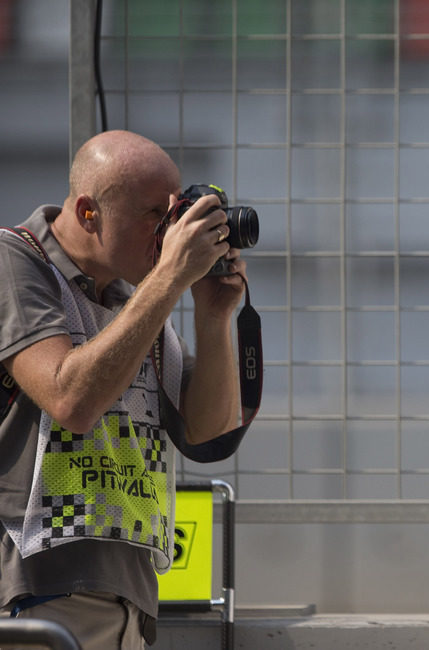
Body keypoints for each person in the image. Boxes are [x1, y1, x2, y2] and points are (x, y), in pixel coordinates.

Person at [0, 130, 250, 648]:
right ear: (89, 212)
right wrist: (167, 282)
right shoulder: (14, 261)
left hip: (129, 596)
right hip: (36, 592)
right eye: (154, 216)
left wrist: (213, 314)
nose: (169, 234)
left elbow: (209, 431)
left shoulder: (132, 298)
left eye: (174, 213)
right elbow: (70, 400)